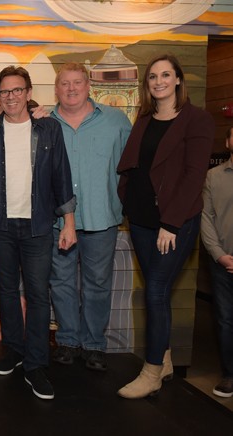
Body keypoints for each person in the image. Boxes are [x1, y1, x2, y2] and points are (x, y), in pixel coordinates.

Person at [0, 66, 76, 400]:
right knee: (6, 292)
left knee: (36, 294)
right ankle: (15, 351)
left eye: (17, 90)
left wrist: (70, 222)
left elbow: (62, 176)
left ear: (29, 92)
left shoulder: (48, 130)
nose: (11, 97)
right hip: (1, 225)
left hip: (37, 226)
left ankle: (35, 365)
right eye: (4, 92)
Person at [116, 54, 213, 399]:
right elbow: (134, 165)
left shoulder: (196, 120)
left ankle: (152, 370)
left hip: (175, 222)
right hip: (140, 220)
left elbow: (193, 176)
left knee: (155, 291)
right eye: (153, 76)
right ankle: (167, 358)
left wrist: (171, 223)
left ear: (177, 80)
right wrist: (126, 200)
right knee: (160, 294)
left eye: (165, 75)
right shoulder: (144, 119)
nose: (158, 81)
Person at [48, 63, 131, 371]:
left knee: (98, 283)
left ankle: (94, 344)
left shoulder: (116, 121)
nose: (71, 89)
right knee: (61, 282)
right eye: (65, 84)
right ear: (56, 89)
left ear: (88, 87)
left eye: (77, 83)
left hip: (102, 218)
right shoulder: (44, 122)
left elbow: (130, 169)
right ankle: (68, 341)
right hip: (57, 222)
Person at [201, 125, 233, 398]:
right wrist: (219, 254)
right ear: (228, 141)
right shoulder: (213, 176)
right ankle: (229, 374)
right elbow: (206, 217)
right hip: (222, 261)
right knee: (225, 320)